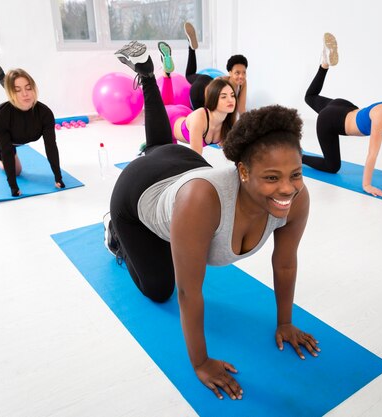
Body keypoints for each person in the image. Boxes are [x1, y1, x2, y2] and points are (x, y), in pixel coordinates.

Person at [106, 41, 319, 400]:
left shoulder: (296, 197)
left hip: (181, 163)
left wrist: (285, 323)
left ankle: (145, 73)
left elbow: (284, 264)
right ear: (244, 171)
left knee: (160, 143)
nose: (287, 188)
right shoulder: (203, 202)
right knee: (160, 290)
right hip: (138, 191)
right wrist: (200, 362)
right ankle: (116, 234)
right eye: (272, 177)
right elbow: (189, 292)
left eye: (295, 174)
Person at [302, 33, 382, 197]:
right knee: (332, 167)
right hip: (330, 120)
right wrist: (367, 185)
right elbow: (373, 152)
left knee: (310, 97)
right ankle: (299, 157)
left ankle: (324, 63)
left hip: (343, 107)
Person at [0, 62, 65, 197]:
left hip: (21, 133)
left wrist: (58, 177)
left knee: (21, 101)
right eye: (18, 90)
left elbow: (51, 146)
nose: (26, 94)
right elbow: (7, 151)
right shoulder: (0, 115)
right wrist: (13, 187)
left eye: (29, 88)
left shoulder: (44, 113)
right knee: (16, 171)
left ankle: (7, 82)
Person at [156, 41, 237, 155]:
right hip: (170, 118)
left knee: (168, 104)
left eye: (232, 95)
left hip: (185, 113)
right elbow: (196, 158)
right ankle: (166, 75)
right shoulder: (200, 118)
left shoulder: (228, 122)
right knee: (164, 107)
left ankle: (167, 74)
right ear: (213, 99)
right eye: (223, 97)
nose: (230, 100)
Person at [183, 22, 248, 115]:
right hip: (199, 92)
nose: (241, 76)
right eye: (237, 73)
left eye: (244, 72)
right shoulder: (222, 85)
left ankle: (191, 47)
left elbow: (241, 109)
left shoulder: (243, 82)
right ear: (230, 72)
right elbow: (213, 107)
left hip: (205, 78)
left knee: (189, 75)